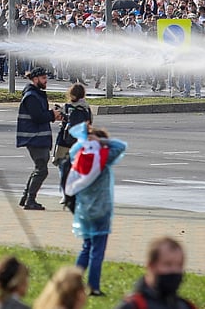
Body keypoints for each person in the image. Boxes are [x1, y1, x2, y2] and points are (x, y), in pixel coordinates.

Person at [68, 126, 126, 296]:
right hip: (101, 210)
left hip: (84, 210)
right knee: (97, 250)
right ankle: (93, 286)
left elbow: (73, 150)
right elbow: (121, 146)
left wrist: (85, 140)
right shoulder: (104, 158)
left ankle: (72, 282)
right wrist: (101, 142)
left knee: (86, 247)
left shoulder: (79, 157)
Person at [16, 67, 62, 211]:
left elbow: (40, 115)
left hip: (38, 137)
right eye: (43, 78)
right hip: (34, 138)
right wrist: (52, 114)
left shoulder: (37, 94)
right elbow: (37, 117)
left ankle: (26, 198)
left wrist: (52, 115)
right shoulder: (31, 96)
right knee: (42, 170)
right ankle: (30, 201)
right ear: (35, 79)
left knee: (39, 168)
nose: (45, 80)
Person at [116, 237, 195, 309]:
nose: (174, 270)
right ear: (151, 266)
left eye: (179, 265)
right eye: (168, 264)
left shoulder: (186, 306)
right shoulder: (133, 306)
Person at [53, 84, 92, 205]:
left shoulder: (68, 107)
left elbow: (62, 121)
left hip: (64, 140)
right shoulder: (86, 108)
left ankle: (66, 194)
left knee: (63, 167)